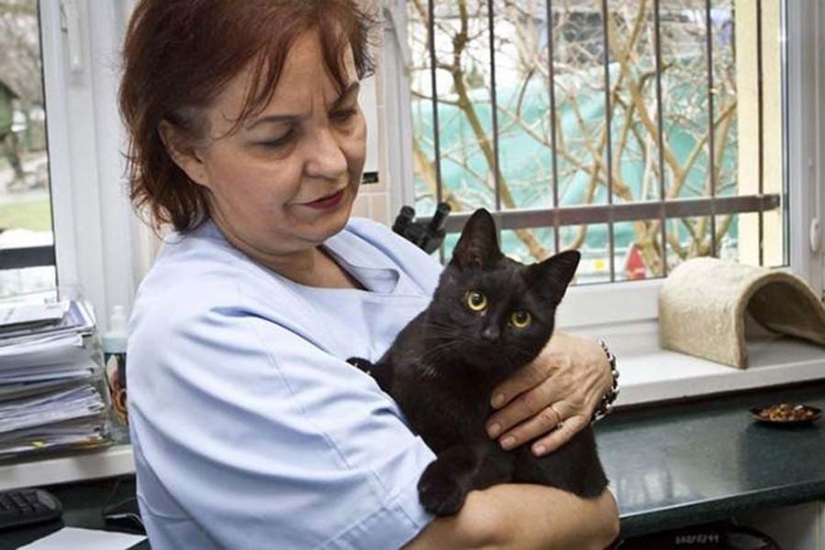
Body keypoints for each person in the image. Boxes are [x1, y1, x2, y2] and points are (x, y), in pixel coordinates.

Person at [119, 1, 620, 548]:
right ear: (187, 150)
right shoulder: (200, 333)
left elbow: (504, 378)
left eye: (342, 112)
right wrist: (592, 513)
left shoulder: (372, 249)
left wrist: (594, 365)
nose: (333, 162)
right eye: (277, 137)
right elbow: (469, 539)